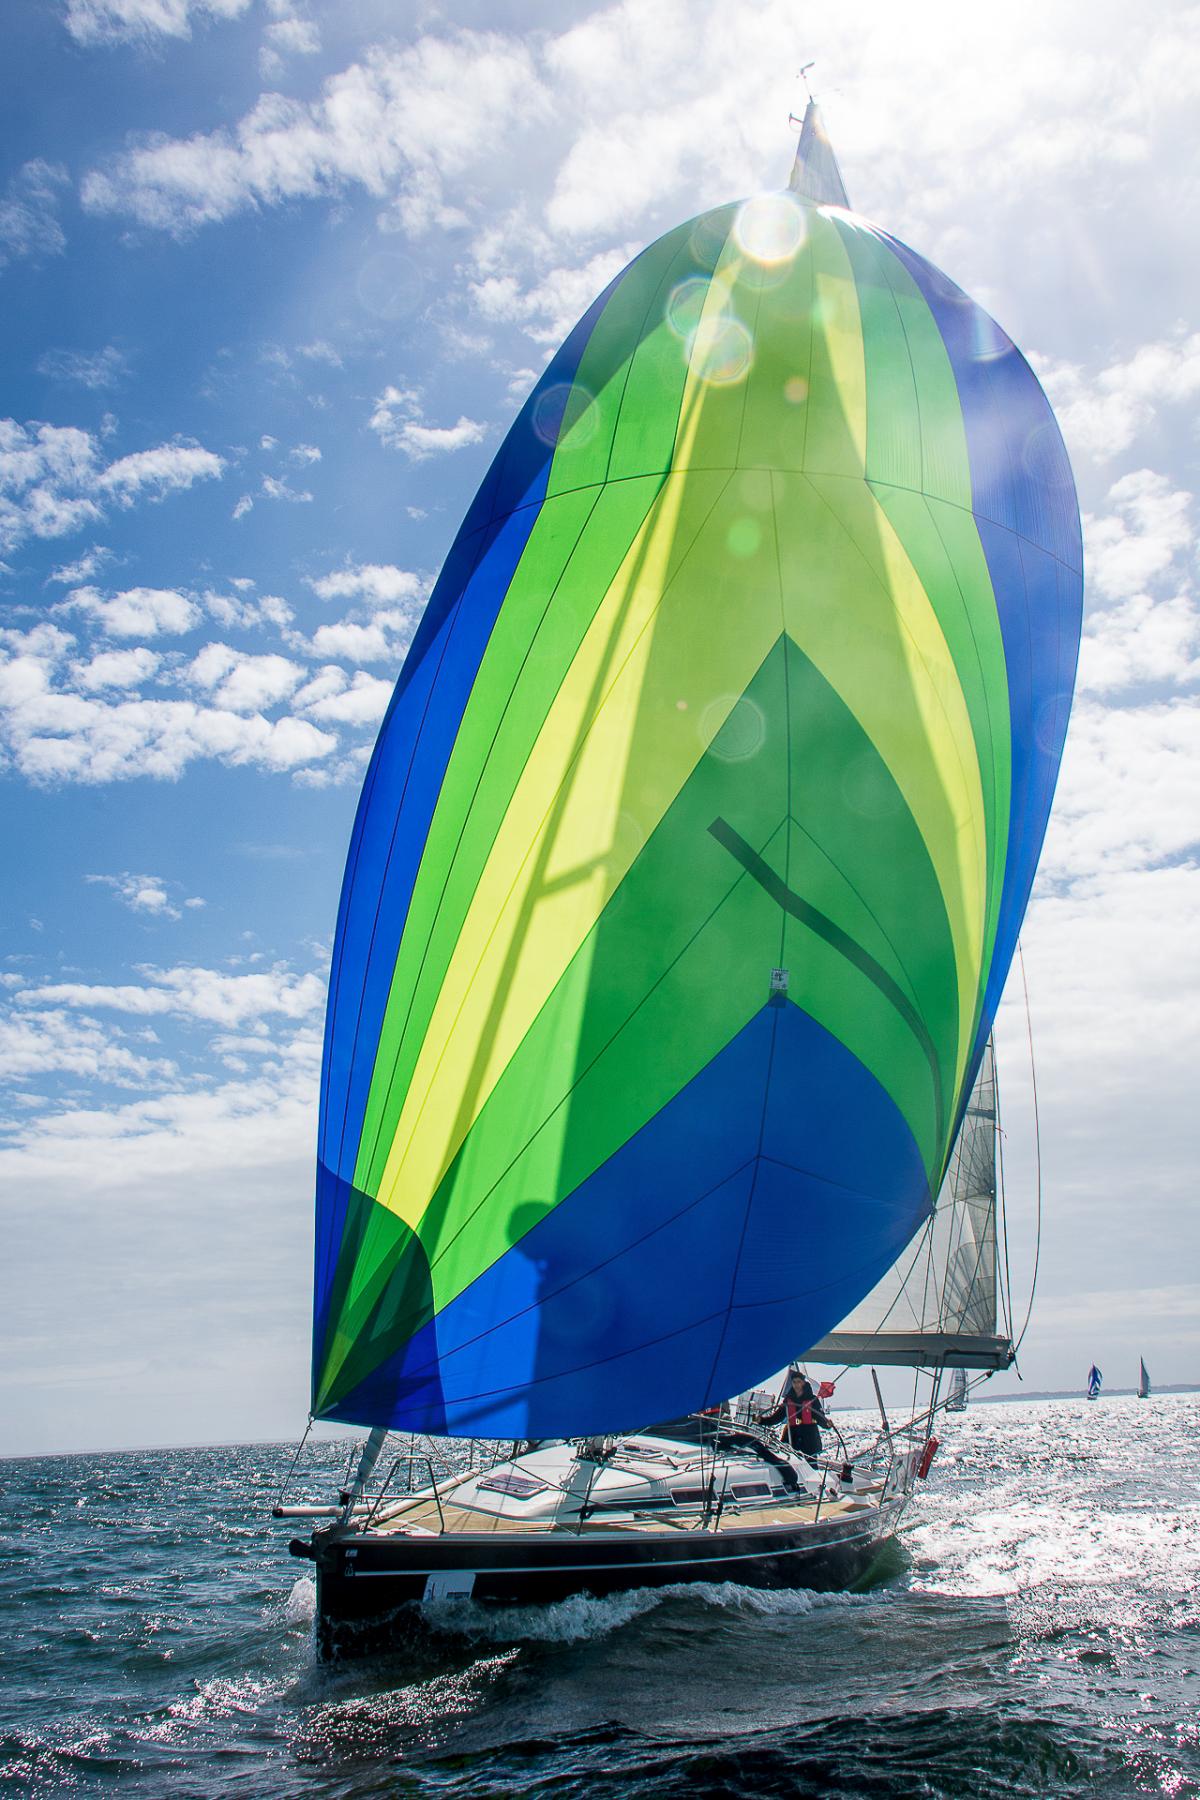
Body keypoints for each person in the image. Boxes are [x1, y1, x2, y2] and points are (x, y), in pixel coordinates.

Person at [757, 1369, 831, 1464]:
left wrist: (827, 1424)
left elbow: (820, 1418)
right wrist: (760, 1420)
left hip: (809, 1438)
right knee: (789, 1463)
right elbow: (776, 1418)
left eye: (798, 1382)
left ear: (803, 1383)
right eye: (794, 1382)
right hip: (792, 1437)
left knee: (811, 1465)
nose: (796, 1385)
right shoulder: (788, 1400)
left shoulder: (812, 1400)